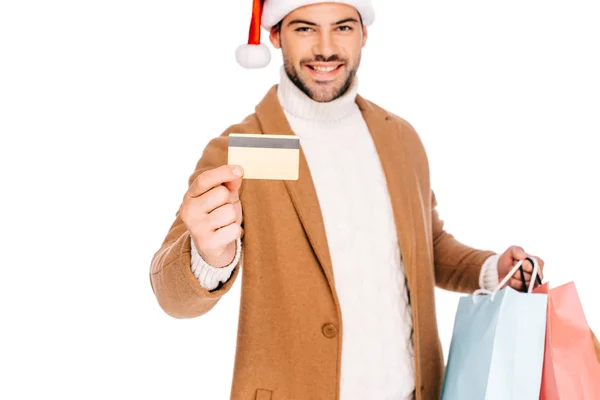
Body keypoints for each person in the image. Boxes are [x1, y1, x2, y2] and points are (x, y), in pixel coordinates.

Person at [149, 1, 548, 399]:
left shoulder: (400, 139)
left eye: (342, 28)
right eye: (305, 29)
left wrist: (492, 269)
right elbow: (173, 298)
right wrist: (207, 255)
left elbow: (427, 245)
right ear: (275, 36)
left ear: (363, 35)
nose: (326, 48)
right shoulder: (243, 150)